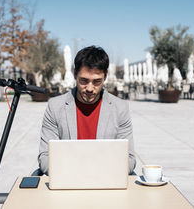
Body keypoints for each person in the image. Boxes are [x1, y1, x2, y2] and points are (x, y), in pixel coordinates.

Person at [37, 45, 136, 175]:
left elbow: (129, 159)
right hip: (68, 179)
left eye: (96, 81)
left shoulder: (120, 108)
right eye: (84, 80)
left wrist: (94, 173)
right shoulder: (55, 107)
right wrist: (80, 174)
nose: (89, 88)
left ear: (105, 76)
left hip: (105, 180)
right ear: (75, 74)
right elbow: (45, 157)